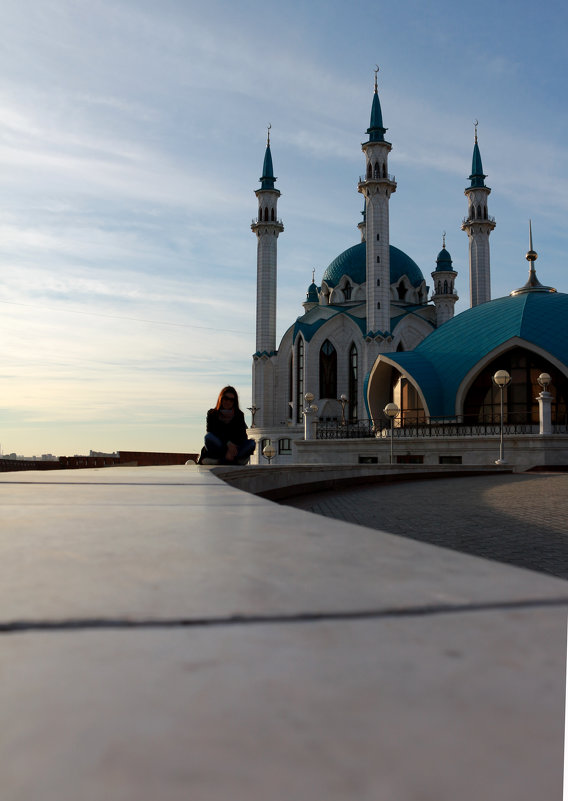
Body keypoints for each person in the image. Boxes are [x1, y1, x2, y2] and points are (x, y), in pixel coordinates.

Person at [198, 386, 256, 465]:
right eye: (225, 398)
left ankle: (221, 460)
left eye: (231, 400)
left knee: (251, 443)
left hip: (235, 448)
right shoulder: (212, 413)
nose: (228, 402)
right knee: (208, 437)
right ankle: (234, 461)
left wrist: (233, 446)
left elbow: (242, 436)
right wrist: (228, 444)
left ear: (234, 402)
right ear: (221, 399)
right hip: (220, 446)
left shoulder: (239, 415)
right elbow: (211, 431)